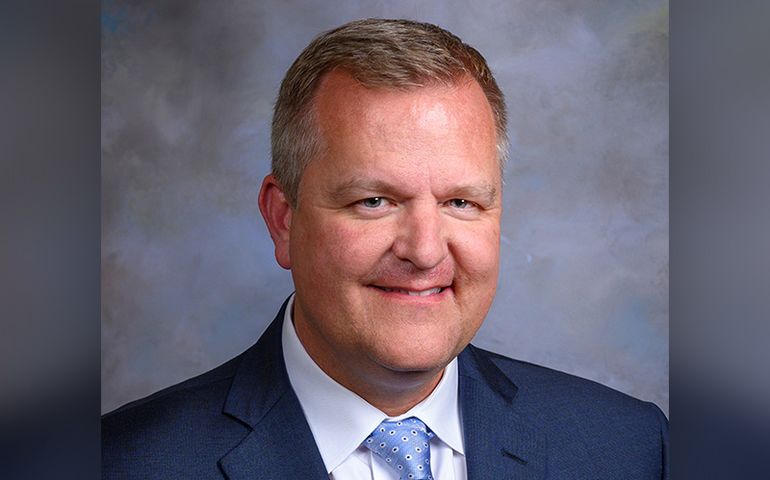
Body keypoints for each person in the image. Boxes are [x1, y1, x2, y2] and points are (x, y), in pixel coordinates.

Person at [102, 19, 668, 479]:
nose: (424, 252)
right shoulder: (123, 464)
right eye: (374, 201)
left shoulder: (628, 449)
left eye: (461, 203)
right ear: (282, 219)